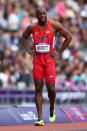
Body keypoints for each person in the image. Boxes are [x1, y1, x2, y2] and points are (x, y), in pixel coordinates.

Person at [21, 7, 72, 126]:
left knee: (51, 88)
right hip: (38, 61)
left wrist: (59, 52)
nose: (43, 16)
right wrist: (29, 50)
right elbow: (23, 37)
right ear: (36, 16)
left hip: (49, 61)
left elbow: (68, 36)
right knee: (38, 88)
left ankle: (52, 107)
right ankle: (40, 117)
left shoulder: (54, 25)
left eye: (44, 13)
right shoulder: (32, 27)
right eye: (40, 14)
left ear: (46, 14)